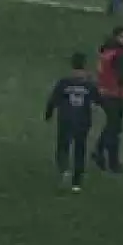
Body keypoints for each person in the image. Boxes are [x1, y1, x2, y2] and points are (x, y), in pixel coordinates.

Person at [44, 52, 99, 192]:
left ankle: (64, 169)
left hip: (66, 119)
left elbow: (53, 100)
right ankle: (77, 182)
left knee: (63, 145)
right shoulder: (89, 85)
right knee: (80, 149)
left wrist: (48, 114)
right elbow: (99, 100)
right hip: (83, 120)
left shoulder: (64, 83)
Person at [92, 26, 123, 174]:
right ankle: (112, 161)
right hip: (115, 94)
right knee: (114, 129)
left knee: (112, 127)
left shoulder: (106, 50)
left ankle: (100, 152)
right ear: (117, 37)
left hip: (103, 91)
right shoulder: (120, 55)